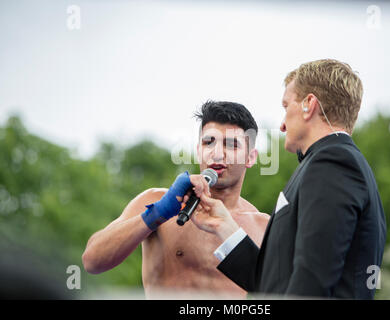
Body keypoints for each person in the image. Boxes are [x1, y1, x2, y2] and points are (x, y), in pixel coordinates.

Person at [190, 59, 387, 299]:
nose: (282, 125)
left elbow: (311, 283)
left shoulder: (332, 162)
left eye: (286, 106)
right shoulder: (333, 161)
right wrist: (224, 225)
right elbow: (275, 282)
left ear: (309, 104)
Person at [82, 101, 270, 299]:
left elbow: (284, 292)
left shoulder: (263, 227)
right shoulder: (154, 200)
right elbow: (92, 261)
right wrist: (156, 213)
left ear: (250, 157)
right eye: (209, 142)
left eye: (230, 144)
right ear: (199, 150)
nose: (217, 153)